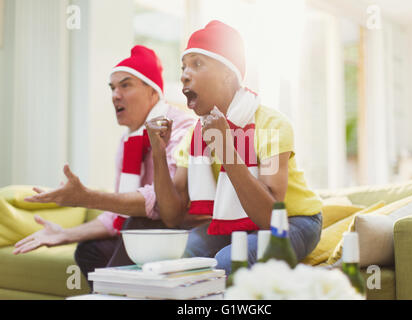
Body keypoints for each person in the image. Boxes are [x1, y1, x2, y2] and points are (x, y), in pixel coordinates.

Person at [146, 20, 323, 274]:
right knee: (179, 255)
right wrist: (159, 154)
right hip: (237, 223)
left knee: (228, 261)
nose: (184, 74)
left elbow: (269, 218)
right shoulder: (194, 136)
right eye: (183, 66)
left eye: (197, 64)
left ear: (229, 75)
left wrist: (227, 150)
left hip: (294, 220)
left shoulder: (272, 126)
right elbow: (172, 216)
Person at [13, 45, 198, 287]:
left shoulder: (181, 126)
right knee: (89, 250)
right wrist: (64, 234)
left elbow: (161, 201)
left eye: (125, 85)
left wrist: (87, 198)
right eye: (112, 88)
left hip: (180, 226)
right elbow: (117, 212)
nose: (115, 95)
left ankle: (116, 292)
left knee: (138, 224)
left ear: (153, 91)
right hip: (147, 226)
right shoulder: (128, 141)